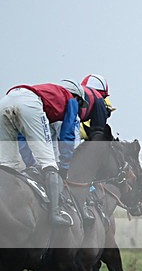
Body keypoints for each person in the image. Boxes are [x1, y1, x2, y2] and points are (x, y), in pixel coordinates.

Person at [0, 80, 85, 226]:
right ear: (77, 97)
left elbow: (23, 136)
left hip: (5, 100)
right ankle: (55, 213)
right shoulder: (71, 99)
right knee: (49, 162)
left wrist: (30, 163)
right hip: (29, 103)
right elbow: (67, 134)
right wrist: (64, 167)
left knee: (7, 165)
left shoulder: (50, 94)